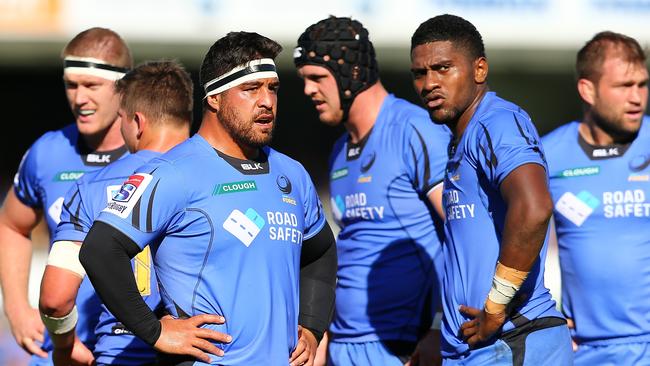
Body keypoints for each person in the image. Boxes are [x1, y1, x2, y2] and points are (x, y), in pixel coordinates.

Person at [79, 31, 338, 366]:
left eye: (272, 88)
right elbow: (100, 250)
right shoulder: (172, 172)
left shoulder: (293, 175)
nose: (267, 101)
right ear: (214, 97)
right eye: (250, 89)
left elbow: (321, 251)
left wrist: (313, 327)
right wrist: (155, 331)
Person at [410, 14, 572, 365]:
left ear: (479, 69)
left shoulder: (497, 122)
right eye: (420, 73)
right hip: (479, 346)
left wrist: (496, 306)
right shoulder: (461, 139)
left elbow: (534, 207)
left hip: (514, 336)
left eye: (442, 68)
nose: (429, 84)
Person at [294, 16, 450, 366]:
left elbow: (465, 233)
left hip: (401, 347)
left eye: (317, 78)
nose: (307, 91)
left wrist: (442, 327)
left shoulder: (415, 131)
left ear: (352, 73)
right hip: (342, 346)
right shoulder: (339, 151)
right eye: (304, 80)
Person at [39, 60, 194, 366]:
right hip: (208, 352)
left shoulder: (90, 187)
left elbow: (55, 300)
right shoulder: (220, 180)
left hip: (121, 354)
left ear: (136, 121)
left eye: (121, 119)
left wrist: (64, 345)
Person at [0, 27, 131, 365]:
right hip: (60, 351)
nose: (79, 98)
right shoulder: (48, 152)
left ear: (124, 86)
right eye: (71, 86)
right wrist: (16, 308)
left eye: (91, 86)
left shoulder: (158, 153)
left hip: (134, 352)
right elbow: (11, 226)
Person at [542, 31, 650, 364]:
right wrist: (546, 321)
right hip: (588, 351)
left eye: (642, 84)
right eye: (623, 86)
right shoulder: (548, 155)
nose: (637, 97)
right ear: (588, 89)